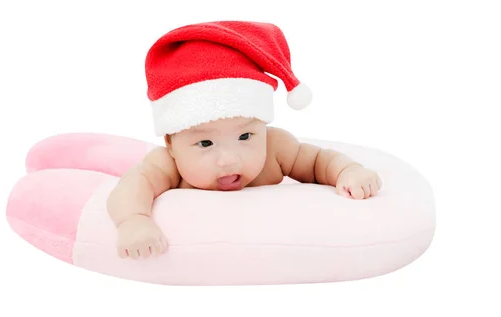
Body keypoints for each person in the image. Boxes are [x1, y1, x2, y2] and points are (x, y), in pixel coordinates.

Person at [106, 21, 382, 260]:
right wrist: (133, 220)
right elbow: (132, 184)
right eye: (205, 144)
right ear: (171, 144)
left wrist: (349, 171)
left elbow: (320, 160)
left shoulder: (276, 148)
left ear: (262, 126)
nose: (229, 159)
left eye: (245, 136)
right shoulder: (166, 163)